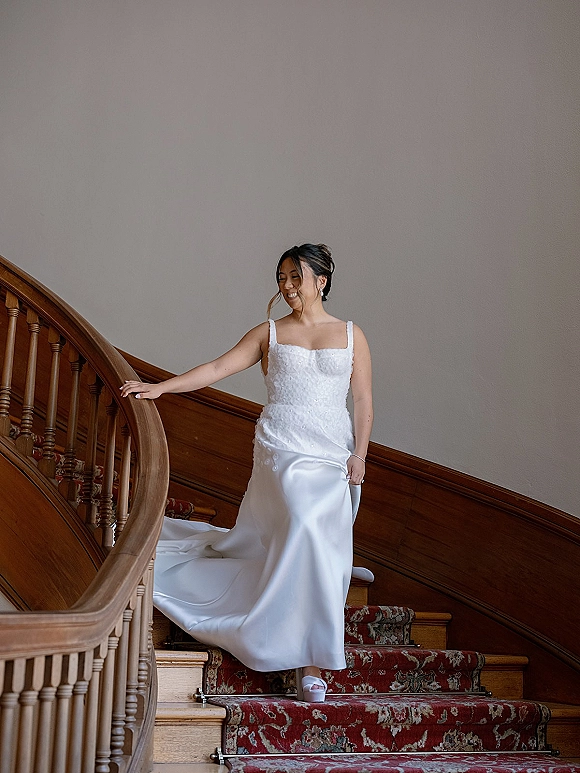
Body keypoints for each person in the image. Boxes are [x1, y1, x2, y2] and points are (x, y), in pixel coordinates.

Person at [120, 243, 373, 702]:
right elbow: (218, 367)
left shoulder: (353, 335)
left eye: (297, 277)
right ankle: (308, 662)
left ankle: (312, 651)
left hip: (333, 453)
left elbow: (362, 403)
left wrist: (360, 455)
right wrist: (161, 388)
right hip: (283, 450)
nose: (287, 286)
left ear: (322, 280)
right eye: (281, 278)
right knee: (302, 519)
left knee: (312, 530)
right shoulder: (269, 333)